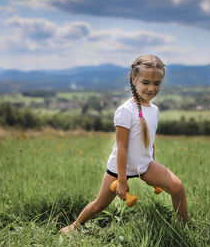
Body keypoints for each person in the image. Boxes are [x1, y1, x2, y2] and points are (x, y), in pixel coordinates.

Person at [60, 54, 188, 234]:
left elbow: (149, 142)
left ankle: (184, 230)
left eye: (157, 83)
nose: (151, 88)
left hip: (144, 165)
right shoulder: (125, 111)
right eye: (146, 82)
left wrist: (152, 163)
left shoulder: (155, 110)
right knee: (99, 205)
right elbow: (123, 148)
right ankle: (72, 227)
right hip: (119, 168)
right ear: (133, 79)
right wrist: (121, 180)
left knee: (178, 188)